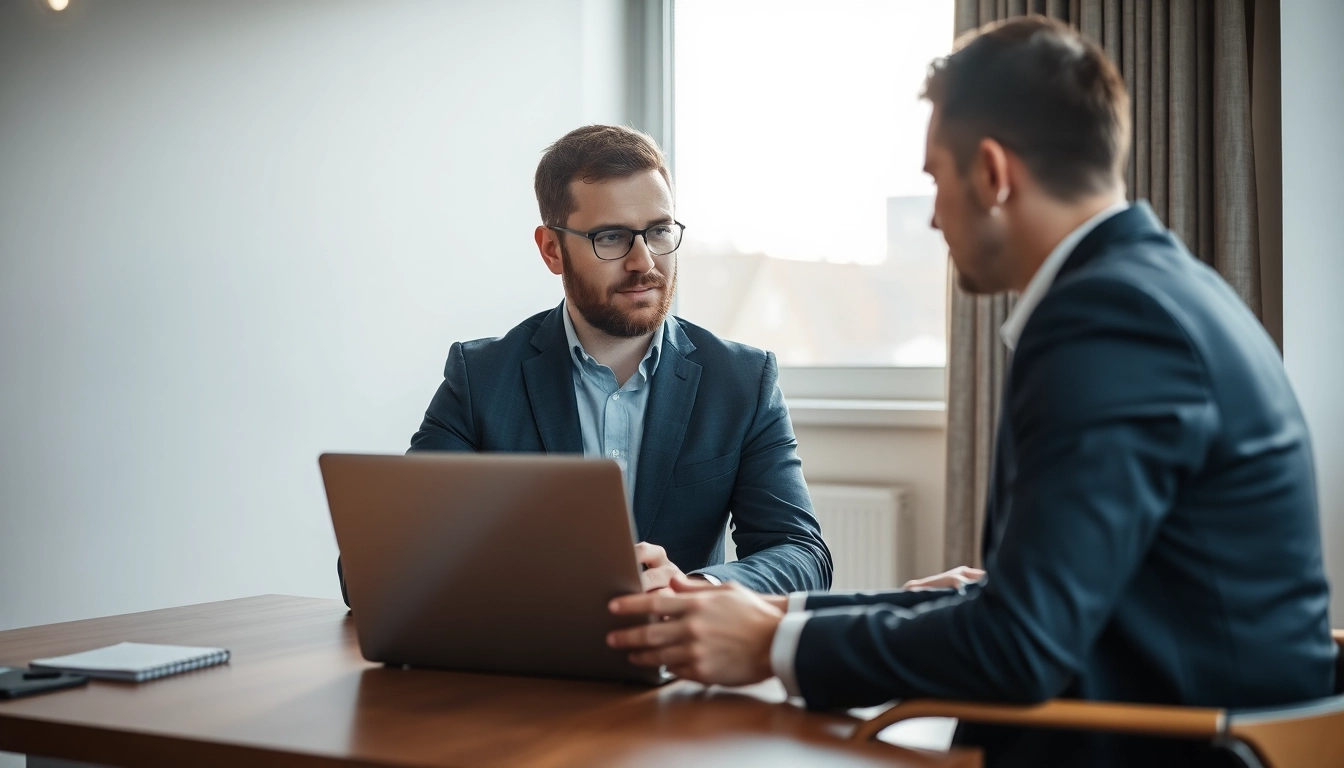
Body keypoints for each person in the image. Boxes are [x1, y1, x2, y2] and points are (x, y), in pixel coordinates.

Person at [606, 16, 1334, 767]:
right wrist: (776, 614)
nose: (931, 215)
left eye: (935, 180)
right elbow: (1037, 600)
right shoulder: (1163, 289)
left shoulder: (1108, 320)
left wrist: (772, 643)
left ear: (991, 173)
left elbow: (1019, 643)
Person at [338, 125, 832, 604]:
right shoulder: (482, 378)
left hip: (677, 663)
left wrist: (695, 591)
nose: (645, 261)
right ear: (552, 250)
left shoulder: (743, 381)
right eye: (612, 238)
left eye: (659, 231)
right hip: (530, 665)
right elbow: (373, 566)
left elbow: (802, 554)